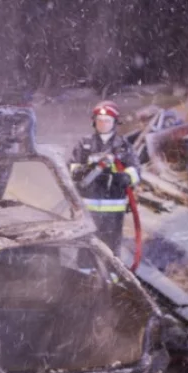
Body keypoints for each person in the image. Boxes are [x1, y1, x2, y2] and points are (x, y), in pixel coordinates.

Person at [68, 101, 140, 258]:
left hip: (113, 209)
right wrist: (85, 170)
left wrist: (124, 178)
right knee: (86, 248)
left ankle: (110, 279)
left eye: (107, 120)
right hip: (88, 208)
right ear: (94, 121)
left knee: (111, 250)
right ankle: (84, 278)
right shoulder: (84, 144)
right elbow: (72, 168)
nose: (103, 124)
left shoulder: (123, 146)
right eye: (99, 120)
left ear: (114, 123)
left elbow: (135, 171)